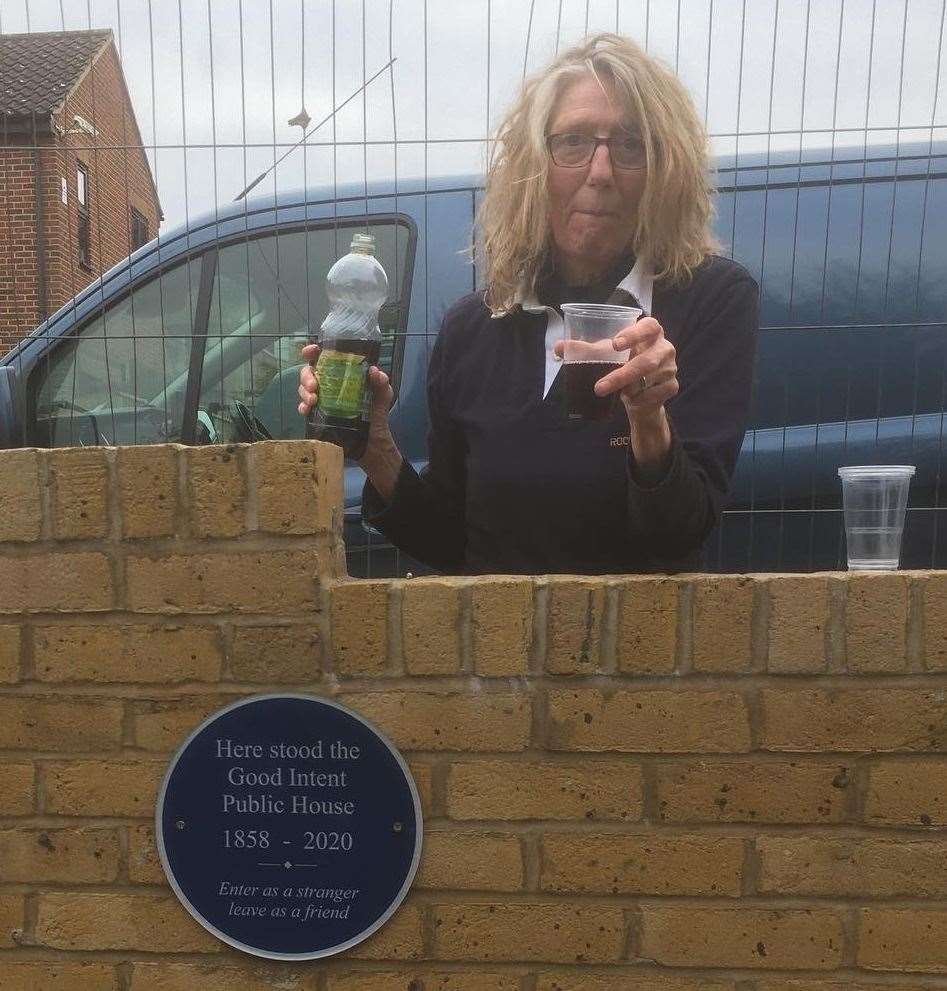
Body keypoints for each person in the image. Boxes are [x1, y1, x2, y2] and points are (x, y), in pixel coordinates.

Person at [298, 33, 759, 575]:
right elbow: (451, 544)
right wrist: (377, 450)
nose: (602, 171)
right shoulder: (473, 328)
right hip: (500, 651)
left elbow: (681, 532)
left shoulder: (710, 300)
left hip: (641, 650)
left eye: (631, 145)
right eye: (573, 143)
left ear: (665, 171)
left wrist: (648, 421)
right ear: (532, 168)